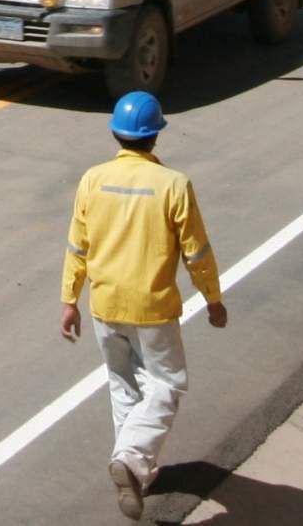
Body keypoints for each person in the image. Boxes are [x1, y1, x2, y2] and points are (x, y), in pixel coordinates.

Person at [60, 92, 228, 520]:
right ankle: (132, 459)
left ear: (117, 133)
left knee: (123, 387)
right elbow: (197, 252)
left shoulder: (92, 179)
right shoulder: (173, 184)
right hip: (152, 308)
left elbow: (78, 246)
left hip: (104, 304)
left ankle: (138, 473)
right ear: (155, 137)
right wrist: (212, 298)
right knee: (168, 384)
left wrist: (69, 300)